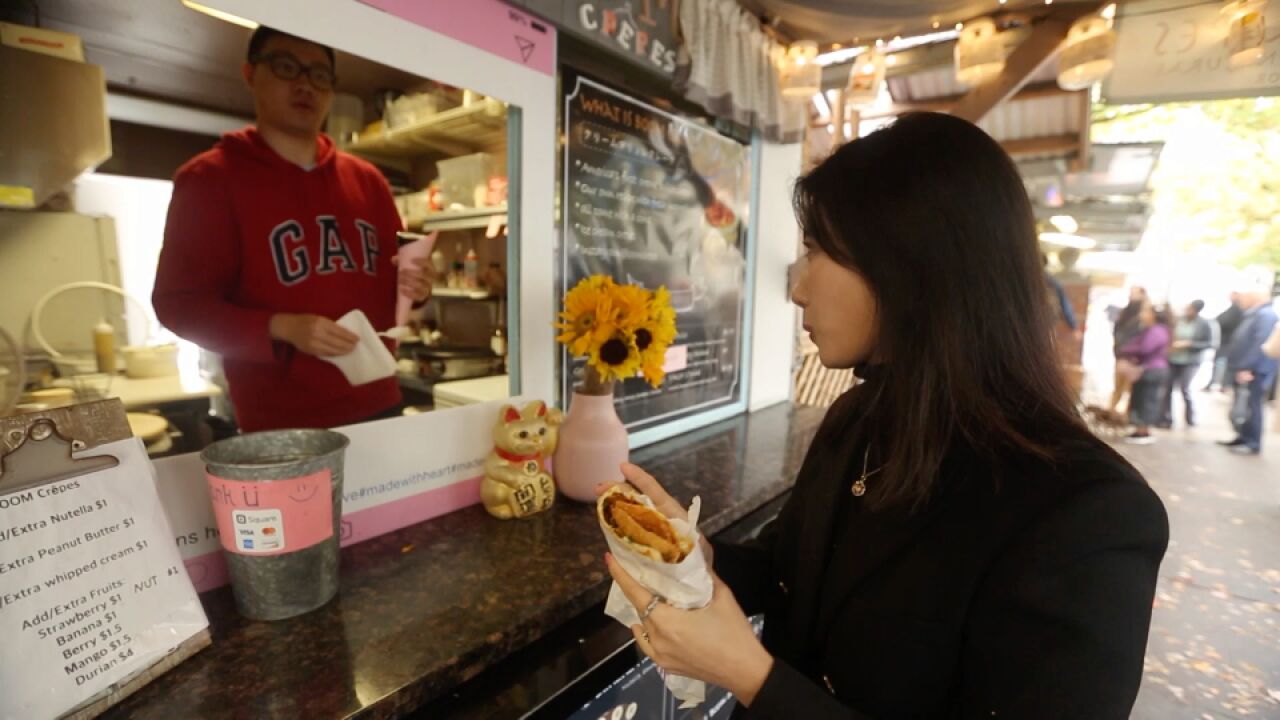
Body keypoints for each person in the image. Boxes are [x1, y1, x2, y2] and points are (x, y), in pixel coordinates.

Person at [599, 113, 1168, 718]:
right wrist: (699, 557)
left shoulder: (1088, 514)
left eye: (815, 250)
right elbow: (795, 565)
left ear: (908, 262)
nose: (796, 289)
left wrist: (752, 676)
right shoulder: (860, 415)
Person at [153, 27, 429, 432]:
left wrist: (418, 292)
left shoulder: (368, 181)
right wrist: (281, 326)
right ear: (251, 74)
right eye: (286, 67)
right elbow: (179, 305)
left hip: (379, 402)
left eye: (319, 75)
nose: (304, 84)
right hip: (281, 422)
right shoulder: (210, 179)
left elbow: (394, 290)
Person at [1218, 268, 1278, 455]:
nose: (1240, 300)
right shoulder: (1255, 314)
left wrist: (1249, 368)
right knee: (1244, 405)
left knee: (1251, 406)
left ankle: (1252, 441)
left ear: (1255, 297)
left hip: (1254, 370)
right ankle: (1243, 437)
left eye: (1244, 297)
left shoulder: (1265, 316)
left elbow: (1260, 345)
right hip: (1247, 368)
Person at [1159, 300, 1218, 428]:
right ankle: (1166, 418)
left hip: (1191, 361)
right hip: (1173, 358)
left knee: (1184, 388)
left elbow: (1209, 343)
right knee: (1167, 387)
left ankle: (1190, 417)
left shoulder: (1204, 324)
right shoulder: (1178, 320)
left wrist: (1190, 344)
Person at [1117, 304, 1171, 444]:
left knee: (1147, 400)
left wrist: (1126, 351)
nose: (1142, 315)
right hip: (1147, 369)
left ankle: (1144, 432)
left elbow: (1144, 348)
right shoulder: (1151, 329)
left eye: (1145, 311)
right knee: (1140, 399)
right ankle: (1139, 429)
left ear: (1154, 315)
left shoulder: (1157, 330)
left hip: (1152, 370)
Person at [1108, 286, 1148, 415]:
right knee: (1118, 385)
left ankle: (1128, 414)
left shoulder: (1145, 313)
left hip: (1134, 357)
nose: (1130, 295)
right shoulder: (1125, 311)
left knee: (1131, 388)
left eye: (1134, 293)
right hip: (1121, 354)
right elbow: (1117, 330)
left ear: (1142, 294)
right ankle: (1111, 411)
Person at [1207, 292, 1243, 391]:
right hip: (1226, 341)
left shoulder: (1237, 309)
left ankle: (1223, 384)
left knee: (1222, 364)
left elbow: (1224, 321)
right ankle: (1220, 384)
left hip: (1228, 342)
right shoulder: (1234, 309)